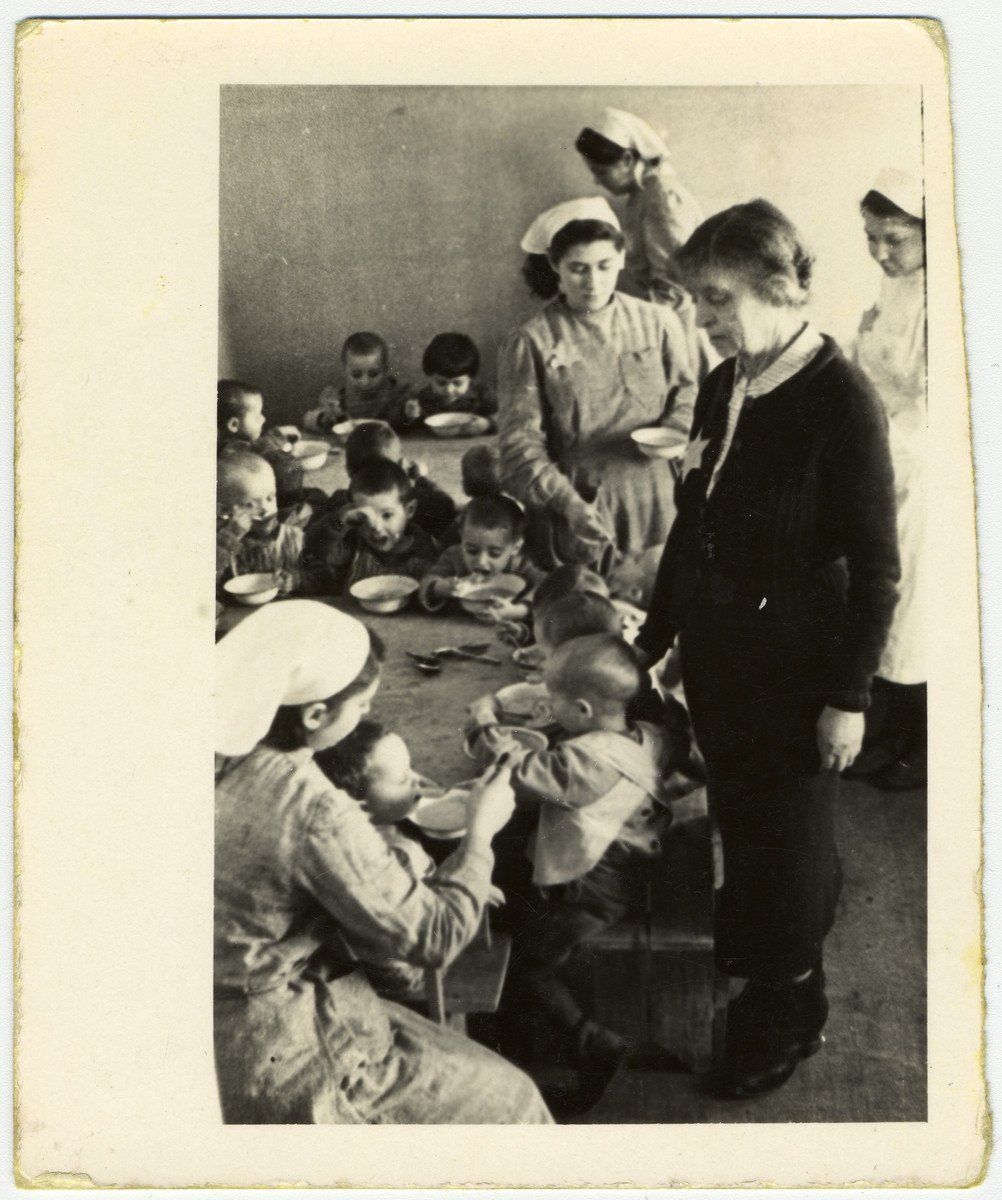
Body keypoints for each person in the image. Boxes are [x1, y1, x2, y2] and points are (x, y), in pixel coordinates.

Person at [633, 199, 900, 1100]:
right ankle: (792, 990)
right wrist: (659, 636)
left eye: (715, 300)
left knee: (788, 845)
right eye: (695, 301)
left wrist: (850, 696)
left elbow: (878, 570)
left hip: (798, 671)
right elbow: (694, 523)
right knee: (751, 837)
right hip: (724, 660)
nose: (701, 320)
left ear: (779, 289)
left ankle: (786, 1014)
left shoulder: (841, 400)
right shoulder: (728, 380)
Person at [214, 600, 553, 1124]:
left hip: (209, 1012)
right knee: (516, 1103)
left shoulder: (221, 749)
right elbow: (432, 938)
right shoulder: (312, 807)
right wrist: (481, 835)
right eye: (363, 705)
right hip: (276, 1046)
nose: (367, 715)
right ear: (315, 714)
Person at [467, 634, 687, 1113]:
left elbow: (515, 770)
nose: (547, 706)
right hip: (631, 865)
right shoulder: (647, 735)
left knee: (524, 963)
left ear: (585, 711)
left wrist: (484, 718)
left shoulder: (584, 765)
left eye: (554, 702)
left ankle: (593, 1043)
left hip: (590, 890)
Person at [499, 197, 697, 571]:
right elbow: (518, 445)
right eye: (578, 269)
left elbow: (687, 393)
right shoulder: (531, 341)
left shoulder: (658, 322)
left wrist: (673, 432)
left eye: (605, 266)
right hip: (578, 502)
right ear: (555, 266)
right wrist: (570, 505)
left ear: (622, 258)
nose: (593, 282)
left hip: (658, 497)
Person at [849, 168, 927, 790]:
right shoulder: (893, 284)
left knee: (911, 613)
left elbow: (935, 410)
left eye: (895, 239)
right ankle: (882, 730)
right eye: (871, 237)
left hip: (923, 471)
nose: (880, 252)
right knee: (874, 598)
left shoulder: (951, 298)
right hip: (881, 453)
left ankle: (914, 747)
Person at [574, 107, 717, 382]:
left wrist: (637, 334)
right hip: (661, 323)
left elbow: (674, 284)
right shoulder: (641, 196)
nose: (596, 181)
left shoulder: (662, 197)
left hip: (676, 328)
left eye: (601, 171)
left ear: (628, 159)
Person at [304, 459, 440, 595]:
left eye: (387, 515)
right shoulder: (353, 546)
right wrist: (339, 521)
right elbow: (318, 549)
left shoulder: (426, 549)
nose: (376, 527)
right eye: (364, 517)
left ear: (409, 510)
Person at [326, 419, 457, 545]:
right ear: (401, 466)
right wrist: (421, 479)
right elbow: (447, 505)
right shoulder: (415, 501)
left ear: (348, 469)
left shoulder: (340, 504)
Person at [418, 494, 546, 617]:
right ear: (461, 537)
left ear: (515, 547)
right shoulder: (453, 556)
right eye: (472, 550)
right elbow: (426, 581)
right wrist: (440, 587)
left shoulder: (519, 563)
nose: (481, 561)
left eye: (494, 554)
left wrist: (519, 610)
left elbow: (547, 585)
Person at [216, 451, 310, 596]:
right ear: (223, 510)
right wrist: (230, 537)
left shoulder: (294, 535)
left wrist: (296, 580)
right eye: (249, 505)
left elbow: (323, 576)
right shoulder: (220, 542)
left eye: (270, 498)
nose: (265, 509)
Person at [217, 379, 309, 510]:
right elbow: (256, 450)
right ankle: (289, 505)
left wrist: (277, 435)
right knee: (288, 464)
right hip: (255, 501)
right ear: (233, 425)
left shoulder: (234, 441)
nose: (263, 419)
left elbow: (258, 445)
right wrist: (278, 440)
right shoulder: (231, 453)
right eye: (256, 417)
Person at [389, 333, 497, 433]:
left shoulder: (483, 395)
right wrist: (408, 416)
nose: (449, 390)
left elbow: (507, 419)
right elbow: (400, 429)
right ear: (430, 375)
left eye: (457, 383)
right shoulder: (424, 399)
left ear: (470, 377)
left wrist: (487, 424)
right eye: (441, 383)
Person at [304, 331, 411, 429]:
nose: (365, 382)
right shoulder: (340, 397)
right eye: (356, 375)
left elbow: (410, 424)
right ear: (344, 371)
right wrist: (325, 416)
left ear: (385, 370)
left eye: (373, 374)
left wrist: (408, 413)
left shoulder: (397, 394)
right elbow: (307, 420)